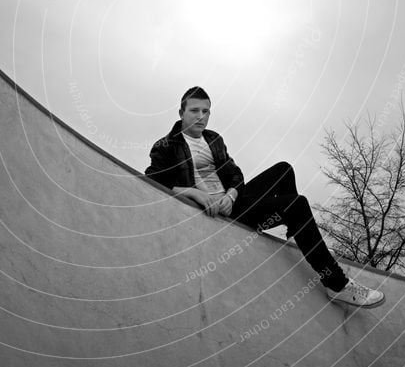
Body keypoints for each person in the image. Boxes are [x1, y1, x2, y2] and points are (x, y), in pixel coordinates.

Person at [145, 86, 385, 308]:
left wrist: (232, 193)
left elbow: (235, 173)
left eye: (206, 111)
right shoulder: (166, 145)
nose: (200, 117)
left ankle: (297, 235)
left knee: (283, 169)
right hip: (221, 217)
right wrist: (194, 193)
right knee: (297, 203)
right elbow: (152, 180)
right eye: (194, 110)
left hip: (234, 203)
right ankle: (337, 284)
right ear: (181, 112)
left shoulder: (213, 139)